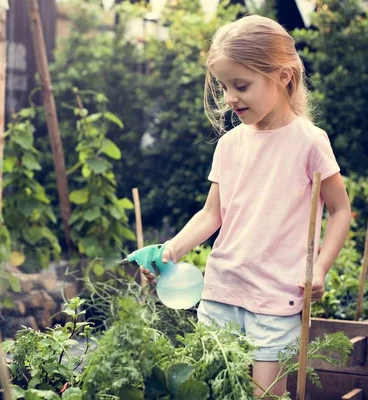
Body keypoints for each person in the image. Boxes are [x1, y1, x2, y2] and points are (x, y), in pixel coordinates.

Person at [136, 14, 351, 397]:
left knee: (264, 395)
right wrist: (171, 251)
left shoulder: (310, 142)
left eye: (241, 85)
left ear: (283, 76)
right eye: (223, 86)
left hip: (276, 297)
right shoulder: (229, 145)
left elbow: (341, 211)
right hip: (222, 291)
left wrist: (320, 267)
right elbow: (211, 215)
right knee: (214, 390)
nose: (231, 97)